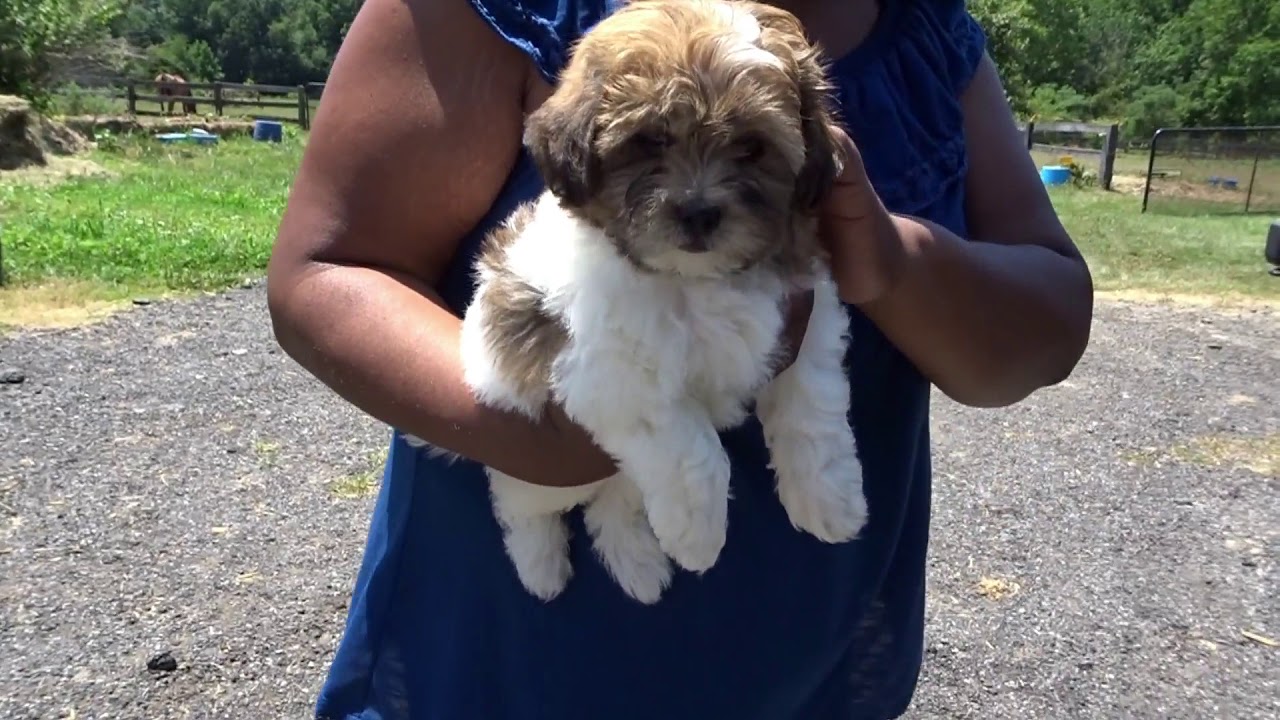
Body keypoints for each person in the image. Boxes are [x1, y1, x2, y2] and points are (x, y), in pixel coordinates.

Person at [266, 0, 1095, 717]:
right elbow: (327, 274)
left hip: (815, 673)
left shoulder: (924, 31)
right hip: (505, 670)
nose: (697, 193)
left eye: (751, 151)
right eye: (650, 146)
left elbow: (1046, 332)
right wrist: (570, 438)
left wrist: (892, 260)